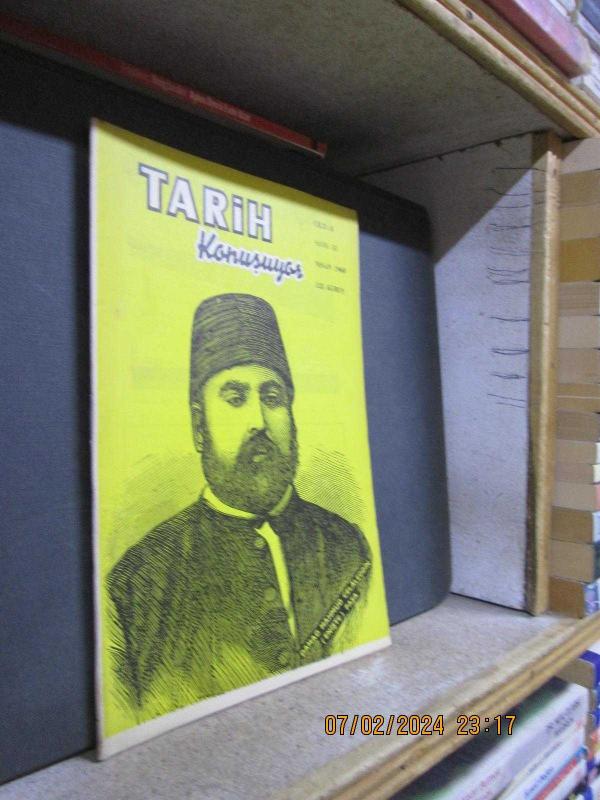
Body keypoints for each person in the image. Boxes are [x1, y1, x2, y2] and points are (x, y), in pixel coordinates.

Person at [107, 293, 371, 717]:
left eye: (272, 398)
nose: (258, 421)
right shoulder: (138, 582)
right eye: (235, 398)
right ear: (199, 426)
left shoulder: (347, 545)